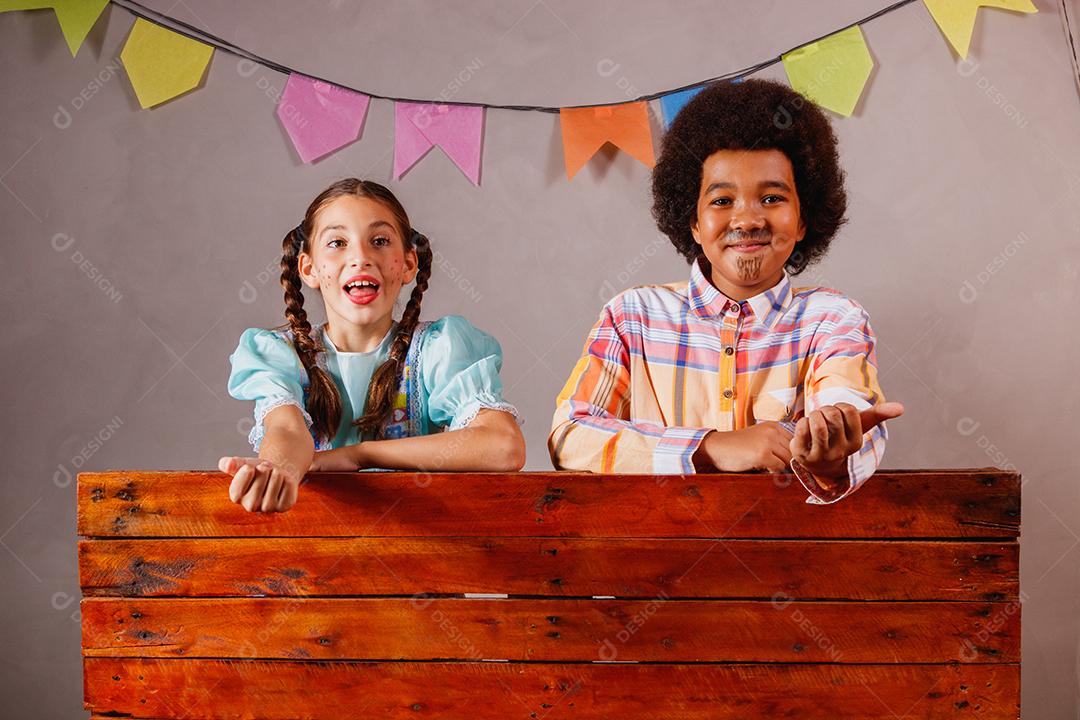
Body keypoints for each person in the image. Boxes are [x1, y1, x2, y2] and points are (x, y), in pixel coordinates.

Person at [549, 78, 903, 504]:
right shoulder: (633, 316)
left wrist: (831, 449)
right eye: (721, 201)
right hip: (648, 559)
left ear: (804, 219)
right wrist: (710, 447)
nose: (748, 219)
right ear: (693, 222)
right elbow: (570, 434)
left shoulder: (832, 318)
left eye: (772, 198)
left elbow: (845, 404)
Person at [220, 179, 524, 513]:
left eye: (379, 241)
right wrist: (278, 467)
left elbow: (503, 445)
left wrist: (360, 455)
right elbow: (286, 429)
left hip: (426, 549)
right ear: (308, 268)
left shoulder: (439, 348)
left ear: (408, 264)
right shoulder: (281, 355)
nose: (361, 257)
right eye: (337, 242)